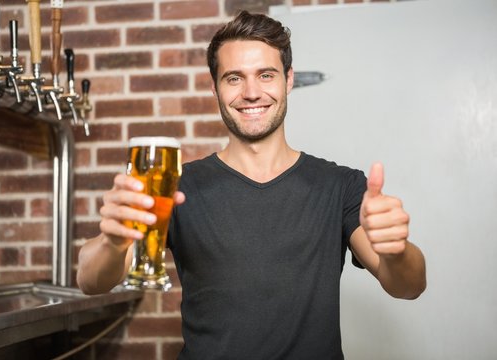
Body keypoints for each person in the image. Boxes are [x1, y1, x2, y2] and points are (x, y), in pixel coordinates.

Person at [77, 10, 426, 359]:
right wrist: (112, 241)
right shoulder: (178, 187)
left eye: (266, 74)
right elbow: (91, 281)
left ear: (288, 80)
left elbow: (409, 286)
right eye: (234, 78)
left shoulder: (341, 186)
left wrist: (397, 250)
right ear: (214, 87)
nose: (251, 92)